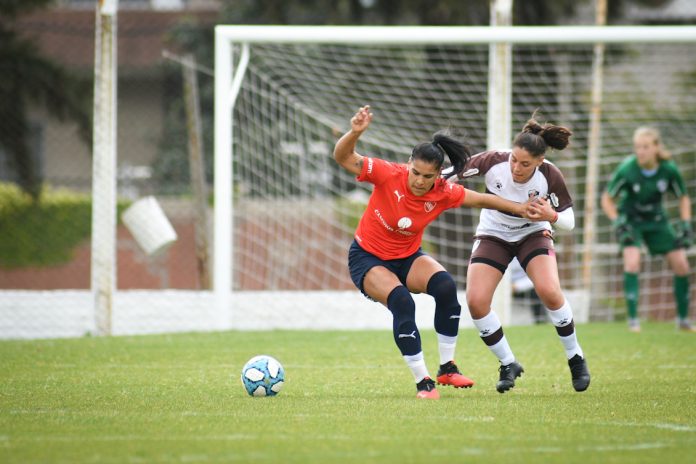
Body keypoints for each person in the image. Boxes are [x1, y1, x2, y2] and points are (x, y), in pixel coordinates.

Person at [333, 105, 535, 399]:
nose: (418, 180)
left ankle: (447, 368)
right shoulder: (388, 174)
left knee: (445, 287)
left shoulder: (442, 191)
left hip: (407, 257)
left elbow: (480, 199)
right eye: (415, 172)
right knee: (402, 302)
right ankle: (423, 382)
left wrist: (521, 208)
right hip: (368, 258)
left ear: (438, 175)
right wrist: (355, 132)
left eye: (427, 176)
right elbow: (342, 157)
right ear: (408, 164)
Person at [458, 112, 590, 394]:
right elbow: (450, 173)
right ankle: (508, 363)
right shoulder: (493, 160)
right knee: (476, 301)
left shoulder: (550, 174)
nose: (517, 167)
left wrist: (550, 214)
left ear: (540, 162)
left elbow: (570, 221)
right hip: (494, 233)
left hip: (532, 234)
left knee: (549, 291)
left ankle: (575, 357)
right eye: (514, 160)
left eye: (525, 164)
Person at [600, 126, 693, 333]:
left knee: (682, 265)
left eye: (645, 147)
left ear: (656, 148)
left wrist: (686, 224)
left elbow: (683, 197)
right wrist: (618, 221)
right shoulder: (627, 169)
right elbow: (607, 198)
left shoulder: (669, 169)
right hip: (631, 221)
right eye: (637, 147)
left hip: (657, 221)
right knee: (632, 263)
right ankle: (633, 321)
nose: (640, 151)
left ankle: (683, 320)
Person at [508, 257, 546, 324]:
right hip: (502, 287)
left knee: (537, 291)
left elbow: (535, 276)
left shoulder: (527, 254)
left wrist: (517, 286)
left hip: (521, 287)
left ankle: (540, 321)